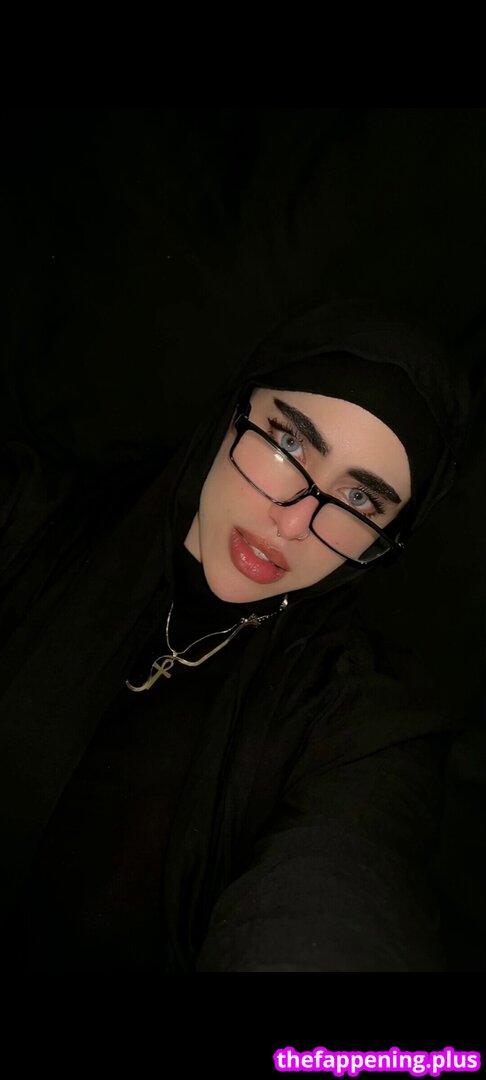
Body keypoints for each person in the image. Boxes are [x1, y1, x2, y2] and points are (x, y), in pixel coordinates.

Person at [0, 298, 470, 972]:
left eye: (358, 500)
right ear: (233, 409)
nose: (294, 523)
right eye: (289, 443)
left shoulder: (358, 721)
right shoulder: (27, 520)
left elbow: (343, 883)